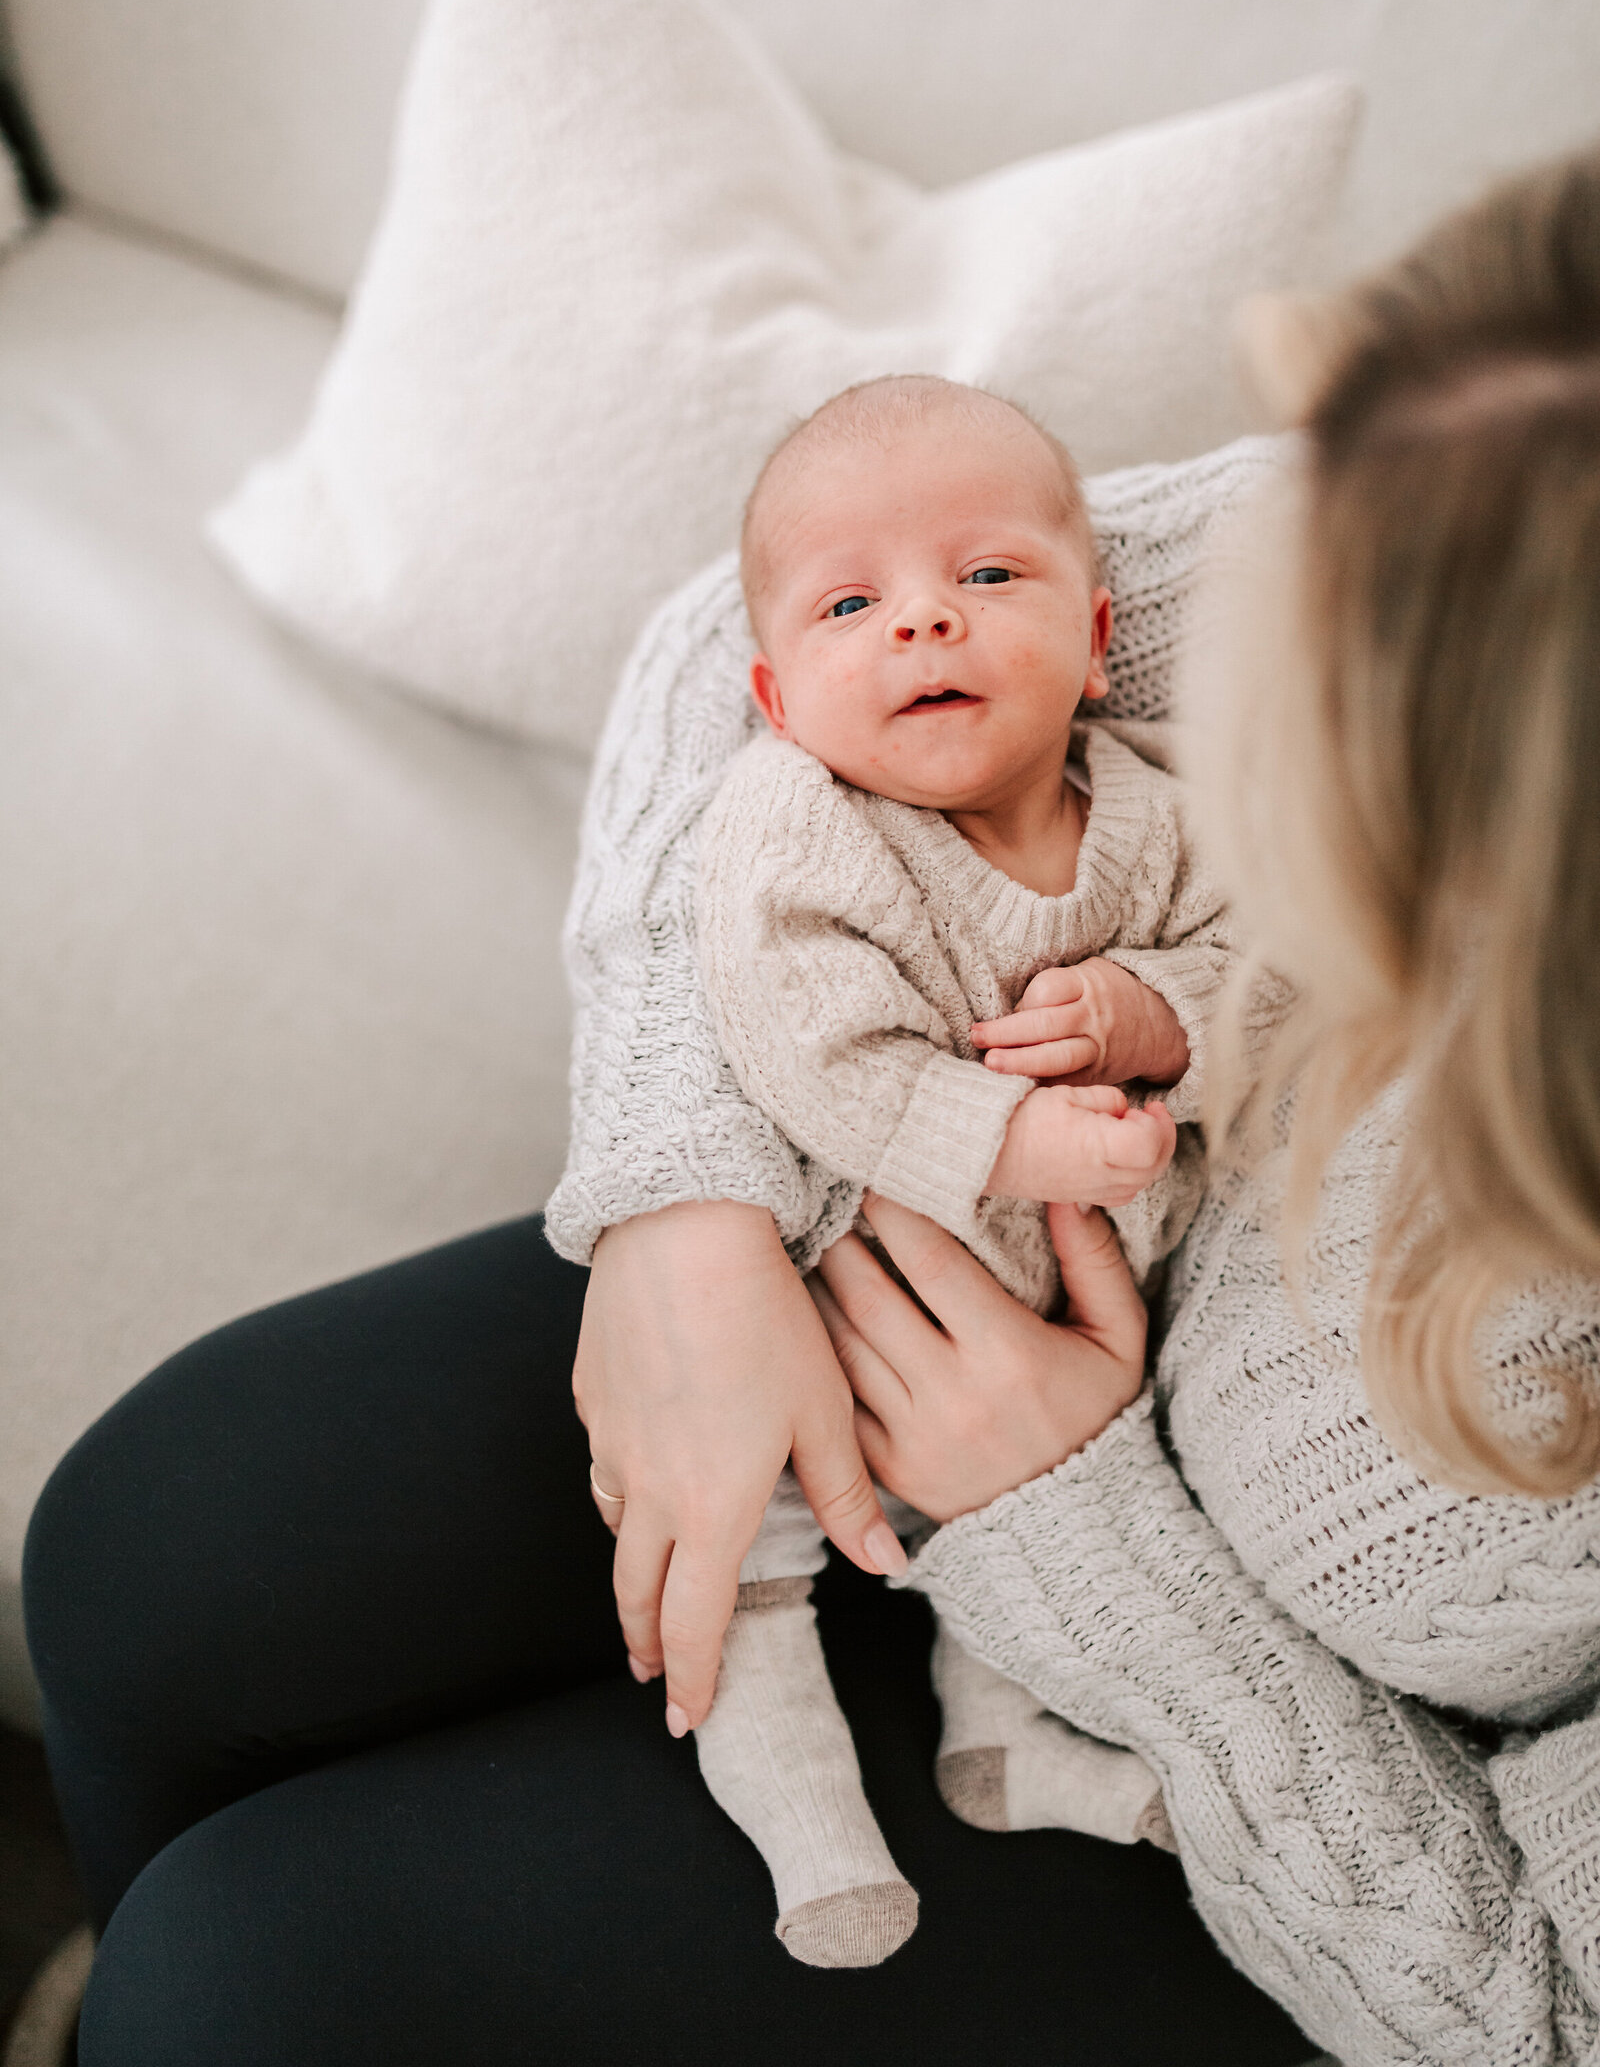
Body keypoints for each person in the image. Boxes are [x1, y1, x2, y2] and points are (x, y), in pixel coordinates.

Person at [23, 147, 1600, 2067]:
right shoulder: (1497, 523)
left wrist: (1070, 1529)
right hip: (911, 1231)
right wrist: (689, 1213)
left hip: (1279, 1785)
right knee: (161, 1550)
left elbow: (1526, 2020)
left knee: (246, 1990)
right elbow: (768, 630)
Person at [691, 374, 1239, 1967]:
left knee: (1010, 1558)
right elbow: (813, 1051)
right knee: (752, 1566)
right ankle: (805, 1822)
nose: (924, 624)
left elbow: (1271, 967)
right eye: (854, 603)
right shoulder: (795, 821)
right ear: (780, 694)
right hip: (814, 1319)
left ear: (1094, 635)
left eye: (987, 578)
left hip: (1057, 1363)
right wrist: (1021, 1137)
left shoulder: (1156, 813)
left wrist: (1157, 1011)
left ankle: (1001, 1752)